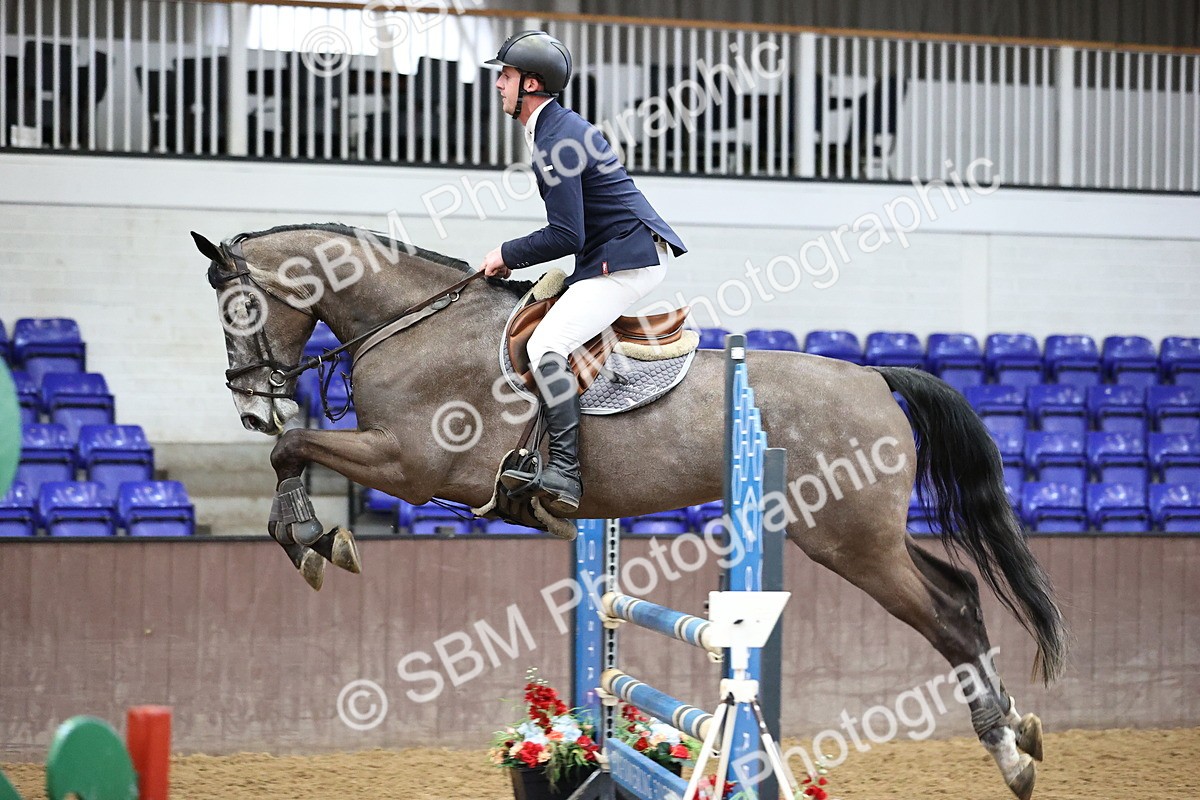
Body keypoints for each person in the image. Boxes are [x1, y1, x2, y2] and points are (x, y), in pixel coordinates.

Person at [480, 30, 687, 516]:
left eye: (505, 77)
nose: (499, 86)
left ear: (531, 84)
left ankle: (567, 472)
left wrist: (506, 253)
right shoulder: (555, 130)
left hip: (626, 259)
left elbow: (566, 235)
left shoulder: (557, 140)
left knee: (543, 345)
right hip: (612, 255)